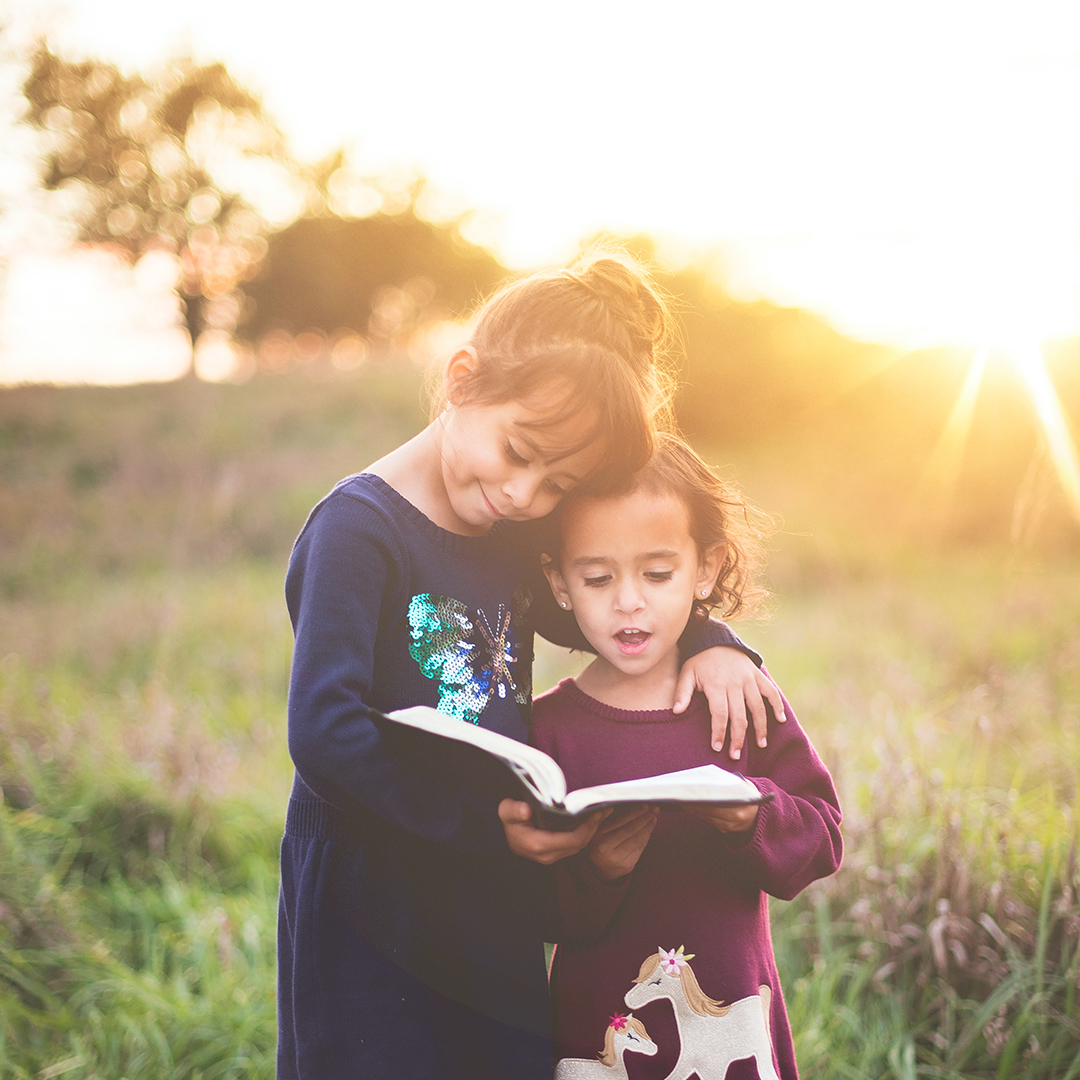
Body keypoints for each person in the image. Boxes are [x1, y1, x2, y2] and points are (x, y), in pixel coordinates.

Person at [277, 252, 785, 1080]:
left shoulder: (510, 537)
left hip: (493, 881)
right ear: (463, 378)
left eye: (558, 485)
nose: (523, 496)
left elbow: (611, 615)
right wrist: (483, 827)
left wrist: (712, 642)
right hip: (376, 890)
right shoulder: (358, 530)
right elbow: (323, 735)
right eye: (519, 452)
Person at [533, 434, 843, 1080]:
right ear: (559, 582)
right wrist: (597, 869)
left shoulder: (738, 697)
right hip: (599, 1030)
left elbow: (823, 837)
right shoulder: (548, 730)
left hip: (729, 1016)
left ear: (704, 568)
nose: (628, 601)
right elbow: (526, 906)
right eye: (597, 577)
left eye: (657, 573)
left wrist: (752, 818)